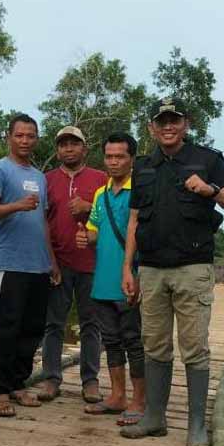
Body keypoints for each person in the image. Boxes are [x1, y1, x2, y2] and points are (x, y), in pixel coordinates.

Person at [118, 98, 224, 446]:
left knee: (194, 348)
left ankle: (197, 426)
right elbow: (134, 220)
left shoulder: (208, 159)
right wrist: (129, 267)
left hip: (193, 269)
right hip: (153, 270)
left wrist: (211, 190)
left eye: (174, 120)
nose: (168, 126)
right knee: (154, 345)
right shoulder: (142, 166)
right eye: (161, 121)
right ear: (152, 128)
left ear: (186, 123)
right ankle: (155, 418)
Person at [0, 113, 62, 417]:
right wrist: (16, 205)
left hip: (37, 265)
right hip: (9, 263)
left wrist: (51, 261)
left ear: (36, 139)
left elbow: (42, 221)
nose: (25, 141)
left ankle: (18, 383)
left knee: (32, 328)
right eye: (20, 136)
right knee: (6, 328)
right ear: (9, 137)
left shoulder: (39, 176)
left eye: (31, 136)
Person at [76, 132, 146, 425]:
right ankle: (117, 396)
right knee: (111, 340)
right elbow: (95, 229)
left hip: (130, 280)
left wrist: (138, 276)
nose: (114, 162)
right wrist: (85, 236)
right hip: (103, 281)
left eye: (120, 156)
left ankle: (139, 401)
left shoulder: (141, 191)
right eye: (109, 156)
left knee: (133, 340)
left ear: (131, 159)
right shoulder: (100, 194)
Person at [37, 126, 108, 404]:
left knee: (91, 324)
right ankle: (51, 379)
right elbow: (42, 222)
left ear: (84, 148)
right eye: (63, 144)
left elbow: (114, 214)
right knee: (53, 324)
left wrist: (89, 206)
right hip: (59, 263)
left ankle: (90, 381)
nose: (68, 148)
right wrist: (50, 262)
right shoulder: (46, 180)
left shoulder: (101, 179)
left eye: (74, 144)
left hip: (93, 264)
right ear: (57, 150)